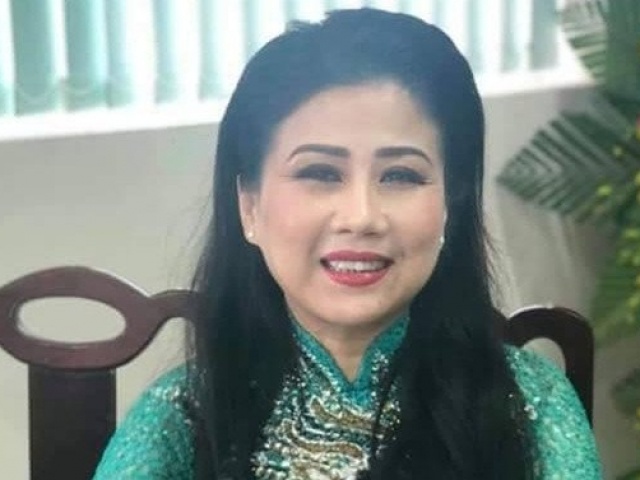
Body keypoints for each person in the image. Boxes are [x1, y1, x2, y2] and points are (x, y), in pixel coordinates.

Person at [93, 8, 601, 479]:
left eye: (401, 175)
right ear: (249, 206)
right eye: (320, 172)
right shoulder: (183, 416)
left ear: (451, 202)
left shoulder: (531, 404)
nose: (362, 217)